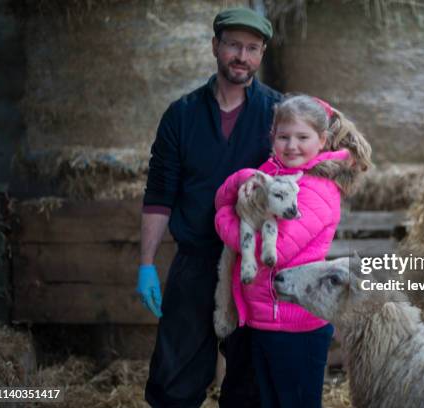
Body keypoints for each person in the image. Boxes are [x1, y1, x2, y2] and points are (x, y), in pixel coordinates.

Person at [136, 7, 282, 408]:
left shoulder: (277, 113)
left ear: (262, 54)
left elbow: (302, 170)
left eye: (252, 48)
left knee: (249, 387)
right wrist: (147, 263)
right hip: (195, 262)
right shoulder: (181, 115)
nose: (242, 56)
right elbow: (160, 194)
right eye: (234, 45)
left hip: (250, 266)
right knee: (173, 384)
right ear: (215, 46)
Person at [214, 94, 371, 408]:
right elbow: (226, 196)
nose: (292, 146)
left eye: (303, 137)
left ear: (322, 139)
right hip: (264, 318)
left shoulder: (318, 190)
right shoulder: (271, 174)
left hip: (295, 322)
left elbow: (274, 251)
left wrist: (222, 219)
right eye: (283, 137)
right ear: (272, 138)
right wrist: (242, 178)